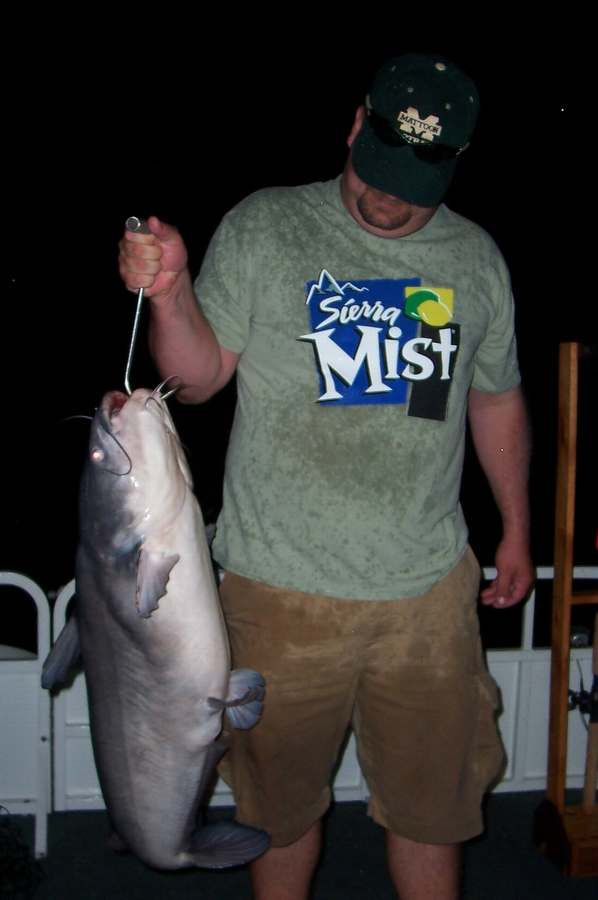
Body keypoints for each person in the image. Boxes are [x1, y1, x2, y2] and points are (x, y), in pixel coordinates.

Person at [119, 52, 534, 900]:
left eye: (415, 186)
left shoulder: (476, 259)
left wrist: (518, 527)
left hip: (427, 595)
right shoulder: (268, 226)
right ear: (354, 126)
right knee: (278, 814)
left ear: (456, 161)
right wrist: (171, 291)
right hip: (280, 591)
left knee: (433, 813)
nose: (388, 200)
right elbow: (197, 378)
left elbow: (495, 401)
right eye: (378, 172)